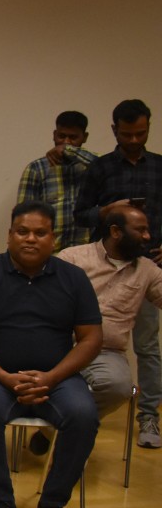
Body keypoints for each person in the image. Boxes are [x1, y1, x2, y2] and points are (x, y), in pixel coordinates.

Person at [0, 202, 102, 508]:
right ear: (9, 235)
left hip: (57, 379)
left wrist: (51, 378)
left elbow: (92, 338)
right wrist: (4, 377)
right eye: (22, 232)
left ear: (53, 238)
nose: (30, 239)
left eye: (40, 233)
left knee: (83, 414)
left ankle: (51, 506)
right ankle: (1, 505)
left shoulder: (74, 278)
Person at [75, 99, 162, 448]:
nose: (134, 140)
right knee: (93, 339)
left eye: (141, 133)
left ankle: (149, 416)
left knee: (148, 346)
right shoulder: (101, 168)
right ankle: (71, 413)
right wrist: (105, 211)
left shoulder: (159, 167)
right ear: (114, 131)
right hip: (106, 269)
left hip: (148, 269)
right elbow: (80, 214)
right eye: (127, 134)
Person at [57, 206, 162, 419]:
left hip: (106, 353)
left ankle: (62, 424)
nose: (147, 236)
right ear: (116, 232)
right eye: (140, 230)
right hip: (60, 346)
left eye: (147, 230)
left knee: (118, 388)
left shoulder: (147, 270)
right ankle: (67, 424)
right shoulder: (72, 258)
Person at [17, 110, 98, 251]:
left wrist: (69, 150)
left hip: (86, 251)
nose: (66, 142)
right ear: (54, 134)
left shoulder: (92, 165)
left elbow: (108, 166)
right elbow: (23, 215)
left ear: (85, 137)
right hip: (48, 252)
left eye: (73, 137)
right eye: (61, 136)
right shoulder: (37, 168)